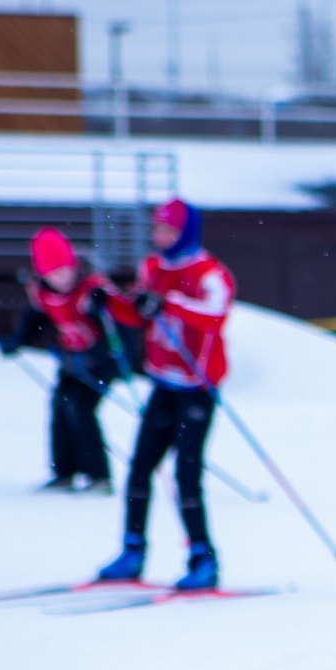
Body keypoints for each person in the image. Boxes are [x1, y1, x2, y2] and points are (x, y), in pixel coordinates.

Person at [98, 198, 233, 592]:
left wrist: (169, 303)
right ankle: (132, 550)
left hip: (197, 387)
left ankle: (203, 557)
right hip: (162, 382)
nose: (160, 238)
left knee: (186, 474)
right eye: (157, 230)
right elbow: (138, 313)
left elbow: (216, 318)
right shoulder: (152, 268)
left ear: (186, 233)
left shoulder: (210, 273)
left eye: (168, 232)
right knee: (140, 468)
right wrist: (110, 302)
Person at [0, 227, 122, 493]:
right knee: (59, 408)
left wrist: (106, 354)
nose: (62, 279)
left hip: (99, 364)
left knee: (80, 408)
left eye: (66, 270)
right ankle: (64, 472)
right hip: (70, 362)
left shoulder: (92, 289)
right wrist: (16, 341)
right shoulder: (43, 293)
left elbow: (121, 324)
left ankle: (99, 476)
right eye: (54, 274)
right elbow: (36, 320)